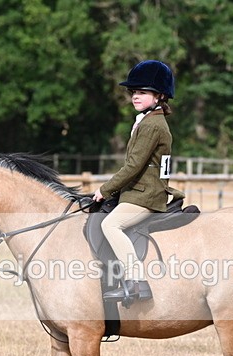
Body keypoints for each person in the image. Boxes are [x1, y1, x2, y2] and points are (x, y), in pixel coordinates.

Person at [92, 59, 184, 304]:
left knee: (110, 225)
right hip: (141, 190)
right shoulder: (147, 121)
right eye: (133, 92)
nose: (135, 96)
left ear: (160, 96)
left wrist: (105, 189)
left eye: (142, 92)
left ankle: (135, 283)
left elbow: (133, 166)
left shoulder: (152, 125)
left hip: (146, 194)